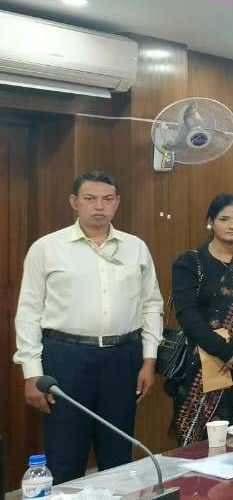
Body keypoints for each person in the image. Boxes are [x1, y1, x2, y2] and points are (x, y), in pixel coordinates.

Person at [13, 172, 163, 483]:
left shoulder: (135, 247)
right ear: (74, 202)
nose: (99, 207)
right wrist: (32, 372)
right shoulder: (47, 247)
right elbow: (28, 311)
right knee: (65, 456)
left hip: (122, 357)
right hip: (65, 358)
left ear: (117, 203)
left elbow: (152, 304)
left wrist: (149, 360)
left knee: (118, 456)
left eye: (107, 199)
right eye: (90, 199)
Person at [167, 194, 233, 447]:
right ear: (210, 222)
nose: (232, 225)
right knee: (201, 443)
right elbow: (186, 314)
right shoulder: (191, 262)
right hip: (201, 363)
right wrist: (224, 351)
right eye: (224, 219)